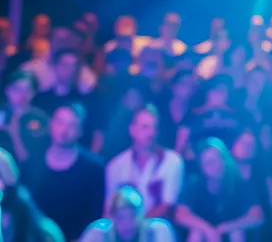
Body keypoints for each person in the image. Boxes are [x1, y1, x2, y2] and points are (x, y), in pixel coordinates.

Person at [22, 105, 104, 241]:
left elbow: (94, 215)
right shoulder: (32, 162)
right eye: (60, 122)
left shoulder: (93, 169)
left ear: (80, 131)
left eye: (71, 125)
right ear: (51, 124)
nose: (64, 130)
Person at [174, 139, 264, 242]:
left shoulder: (239, 184)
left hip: (231, 236)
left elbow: (257, 216)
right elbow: (180, 214)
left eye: (218, 159)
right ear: (201, 167)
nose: (216, 166)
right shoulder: (194, 185)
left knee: (236, 233)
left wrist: (226, 227)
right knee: (196, 233)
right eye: (209, 162)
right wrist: (208, 230)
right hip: (204, 237)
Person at [104, 107, 184, 219]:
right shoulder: (115, 166)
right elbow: (109, 209)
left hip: (157, 229)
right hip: (122, 231)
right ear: (132, 130)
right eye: (145, 127)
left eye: (154, 128)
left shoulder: (172, 161)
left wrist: (137, 225)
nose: (151, 133)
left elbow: (167, 206)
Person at [81, 186, 175, 242]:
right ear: (112, 217)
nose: (127, 223)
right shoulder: (98, 234)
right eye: (120, 217)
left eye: (132, 216)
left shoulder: (157, 232)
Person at [0, 72, 50, 163]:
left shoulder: (40, 118)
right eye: (16, 89)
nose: (22, 95)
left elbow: (30, 159)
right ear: (7, 90)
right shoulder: (2, 112)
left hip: (25, 172)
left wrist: (14, 133)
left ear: (34, 93)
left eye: (28, 90)